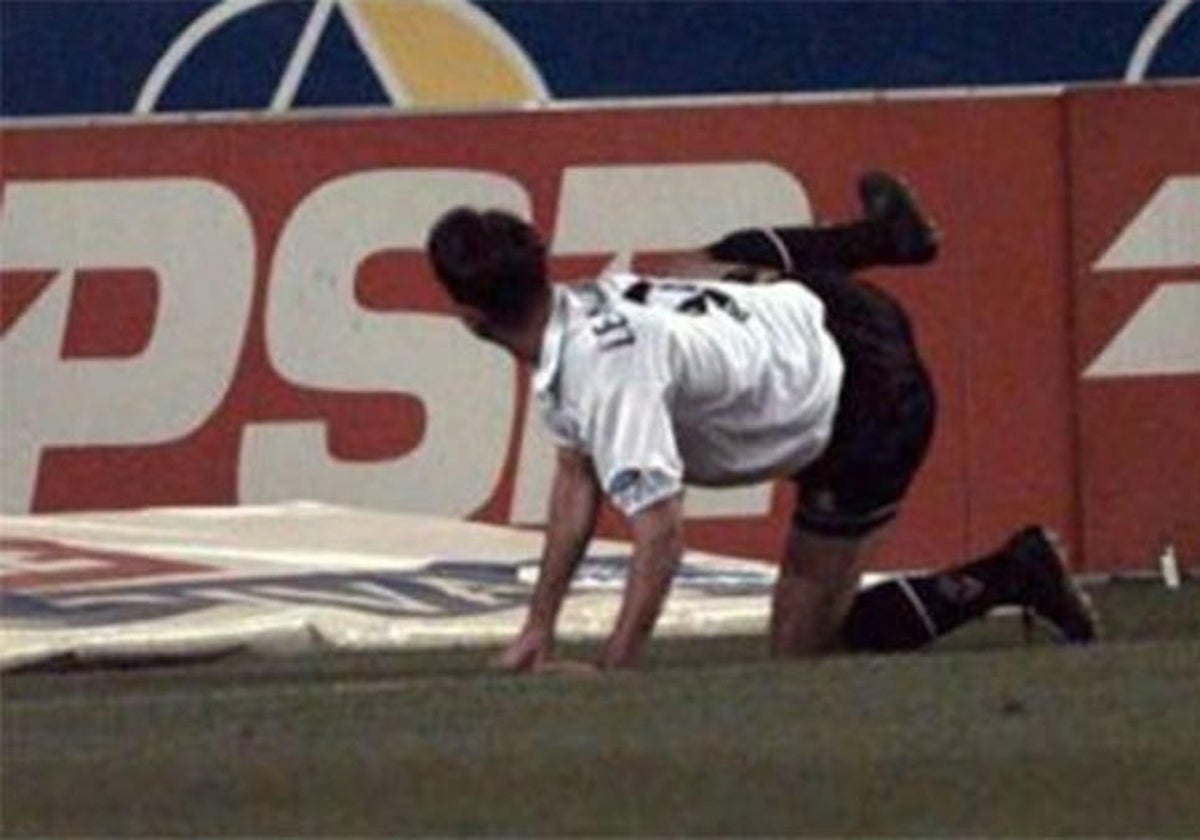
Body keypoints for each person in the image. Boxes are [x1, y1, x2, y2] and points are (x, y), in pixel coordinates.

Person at [425, 171, 1097, 673]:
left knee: (802, 653)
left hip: (868, 404)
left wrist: (615, 671)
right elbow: (577, 477)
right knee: (694, 267)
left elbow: (659, 539)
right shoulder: (574, 307)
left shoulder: (605, 376)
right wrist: (539, 626)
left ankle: (1012, 573)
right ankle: (880, 239)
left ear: (470, 320)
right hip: (825, 302)